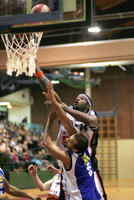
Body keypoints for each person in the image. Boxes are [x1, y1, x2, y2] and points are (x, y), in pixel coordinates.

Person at [35, 64, 107, 199]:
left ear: (88, 105)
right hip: (67, 162)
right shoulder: (68, 115)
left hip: (86, 163)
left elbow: (91, 122)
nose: (77, 98)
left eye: (82, 98)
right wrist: (37, 70)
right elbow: (53, 95)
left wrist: (62, 107)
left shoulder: (92, 115)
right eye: (77, 97)